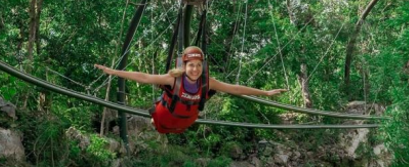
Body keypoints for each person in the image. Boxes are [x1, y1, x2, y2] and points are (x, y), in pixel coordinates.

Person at [95, 46, 286, 134]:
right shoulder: (173, 79)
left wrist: (266, 93)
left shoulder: (207, 82)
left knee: (180, 122)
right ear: (184, 65)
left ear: (202, 66)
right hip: (163, 119)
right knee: (157, 117)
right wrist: (113, 71)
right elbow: (144, 77)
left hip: (184, 123)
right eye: (191, 65)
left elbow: (234, 88)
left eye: (198, 65)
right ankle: (153, 119)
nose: (195, 69)